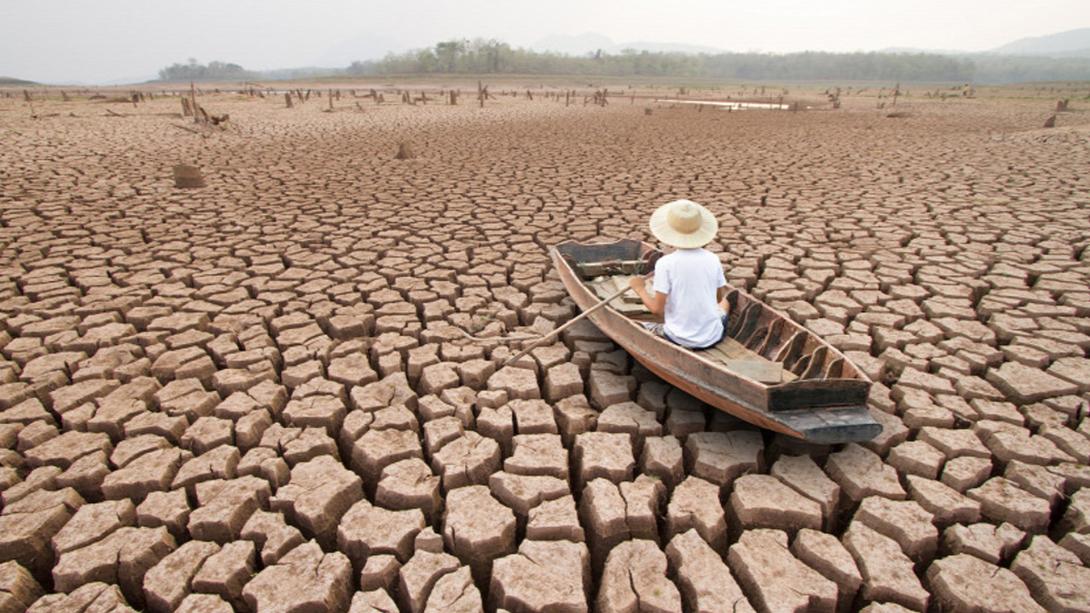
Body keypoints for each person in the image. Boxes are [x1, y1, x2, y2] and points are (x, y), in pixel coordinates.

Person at [628, 199, 728, 350]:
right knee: (726, 303)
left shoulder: (665, 263)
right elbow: (718, 299)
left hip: (678, 338)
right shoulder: (713, 258)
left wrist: (639, 288)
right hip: (713, 336)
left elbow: (657, 310)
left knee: (646, 324)